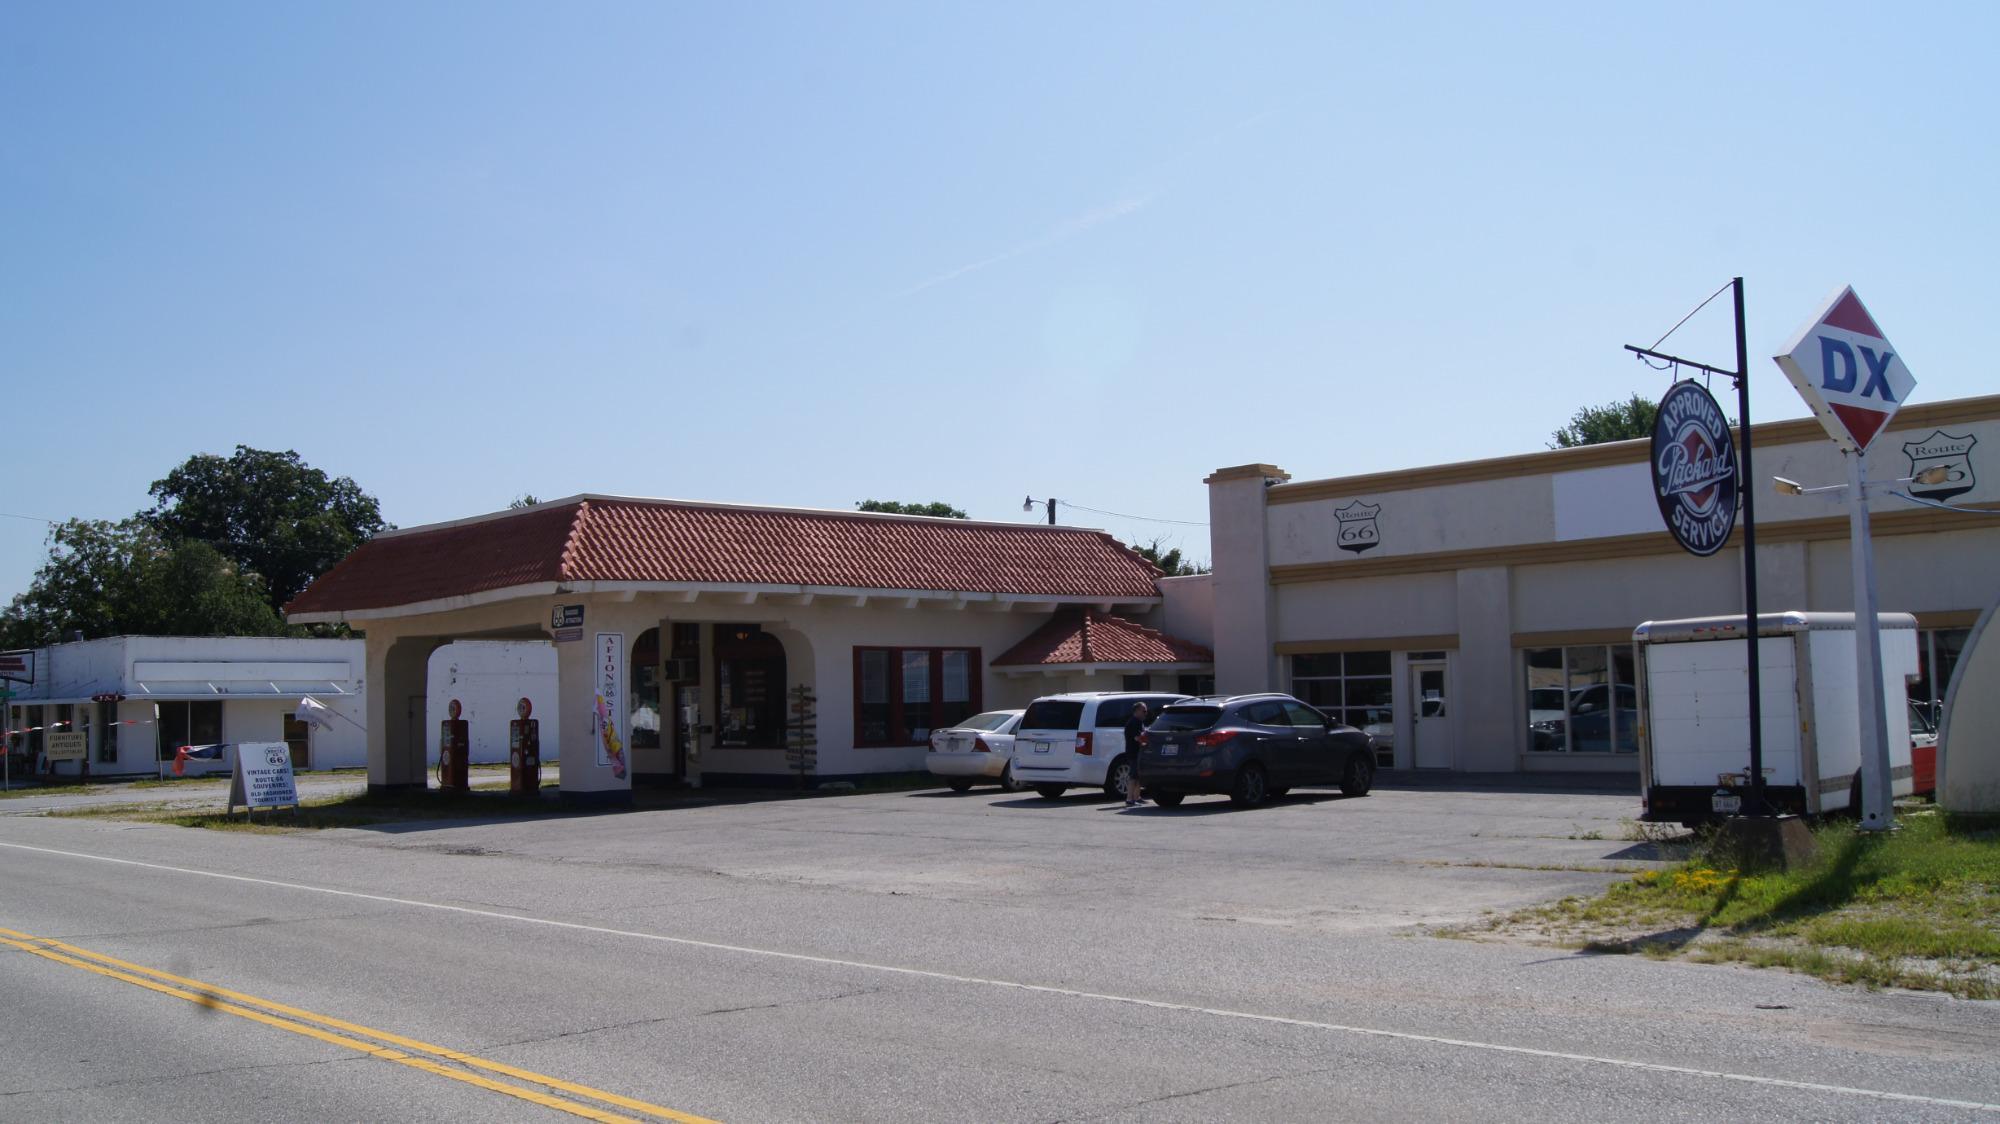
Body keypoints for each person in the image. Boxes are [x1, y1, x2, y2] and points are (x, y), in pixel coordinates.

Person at [1123, 702, 1149, 807]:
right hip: (1133, 752)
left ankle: (1137, 797)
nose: (1145, 713)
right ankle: (1129, 799)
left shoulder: (1139, 722)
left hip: (1138, 752)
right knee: (1133, 775)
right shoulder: (1134, 722)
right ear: (1137, 710)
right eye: (1144, 711)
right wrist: (1146, 742)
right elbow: (1137, 738)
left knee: (1138, 776)